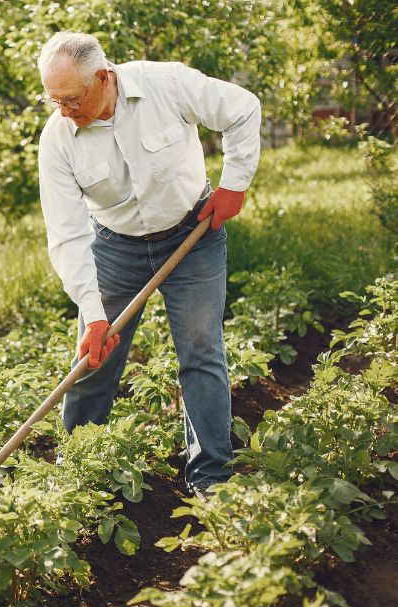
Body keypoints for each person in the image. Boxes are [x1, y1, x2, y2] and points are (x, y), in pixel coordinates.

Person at [36, 32, 261, 499]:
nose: (62, 110)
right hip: (115, 247)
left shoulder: (166, 85)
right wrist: (94, 314)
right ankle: (75, 471)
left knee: (201, 352)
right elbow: (68, 234)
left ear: (104, 77)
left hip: (192, 234)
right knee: (94, 357)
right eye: (52, 99)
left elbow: (242, 108)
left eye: (71, 99)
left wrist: (234, 184)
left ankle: (211, 478)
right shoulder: (58, 139)